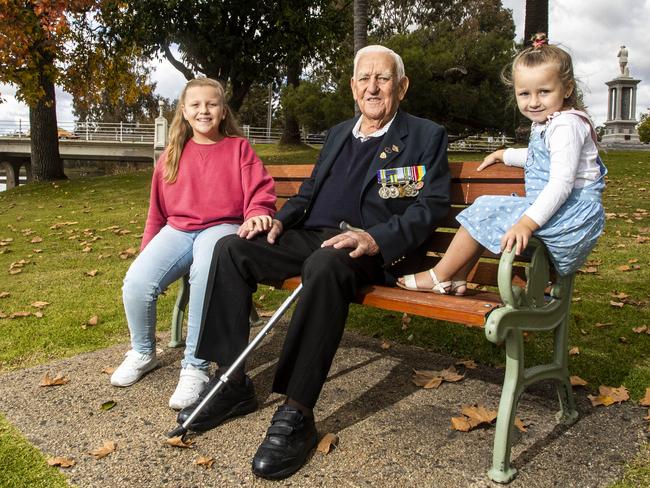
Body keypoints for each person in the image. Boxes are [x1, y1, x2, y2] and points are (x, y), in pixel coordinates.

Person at [177, 45, 450, 479]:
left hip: (365, 249)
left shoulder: (424, 135)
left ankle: (297, 413)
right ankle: (232, 382)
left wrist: (375, 237)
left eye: (382, 79)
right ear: (353, 87)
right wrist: (276, 223)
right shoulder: (340, 133)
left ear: (402, 86)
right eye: (364, 79)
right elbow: (306, 195)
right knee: (231, 247)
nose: (372, 87)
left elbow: (429, 207)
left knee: (324, 265)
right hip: (311, 236)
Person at [110, 78, 276, 411]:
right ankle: (143, 352)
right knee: (137, 282)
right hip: (178, 230)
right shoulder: (171, 155)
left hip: (222, 227)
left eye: (211, 104)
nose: (204, 110)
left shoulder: (238, 148)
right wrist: (148, 250)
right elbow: (156, 211)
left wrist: (258, 211)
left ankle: (195, 367)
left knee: (205, 274)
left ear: (223, 110)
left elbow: (260, 191)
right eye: (196, 105)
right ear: (184, 112)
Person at [398, 33, 606, 295]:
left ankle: (439, 274)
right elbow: (538, 156)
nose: (533, 101)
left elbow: (561, 184)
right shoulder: (550, 123)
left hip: (571, 214)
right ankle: (458, 276)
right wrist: (505, 155)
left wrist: (526, 224)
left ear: (567, 89)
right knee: (488, 211)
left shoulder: (566, 125)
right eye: (524, 93)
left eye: (544, 91)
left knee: (486, 208)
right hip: (564, 211)